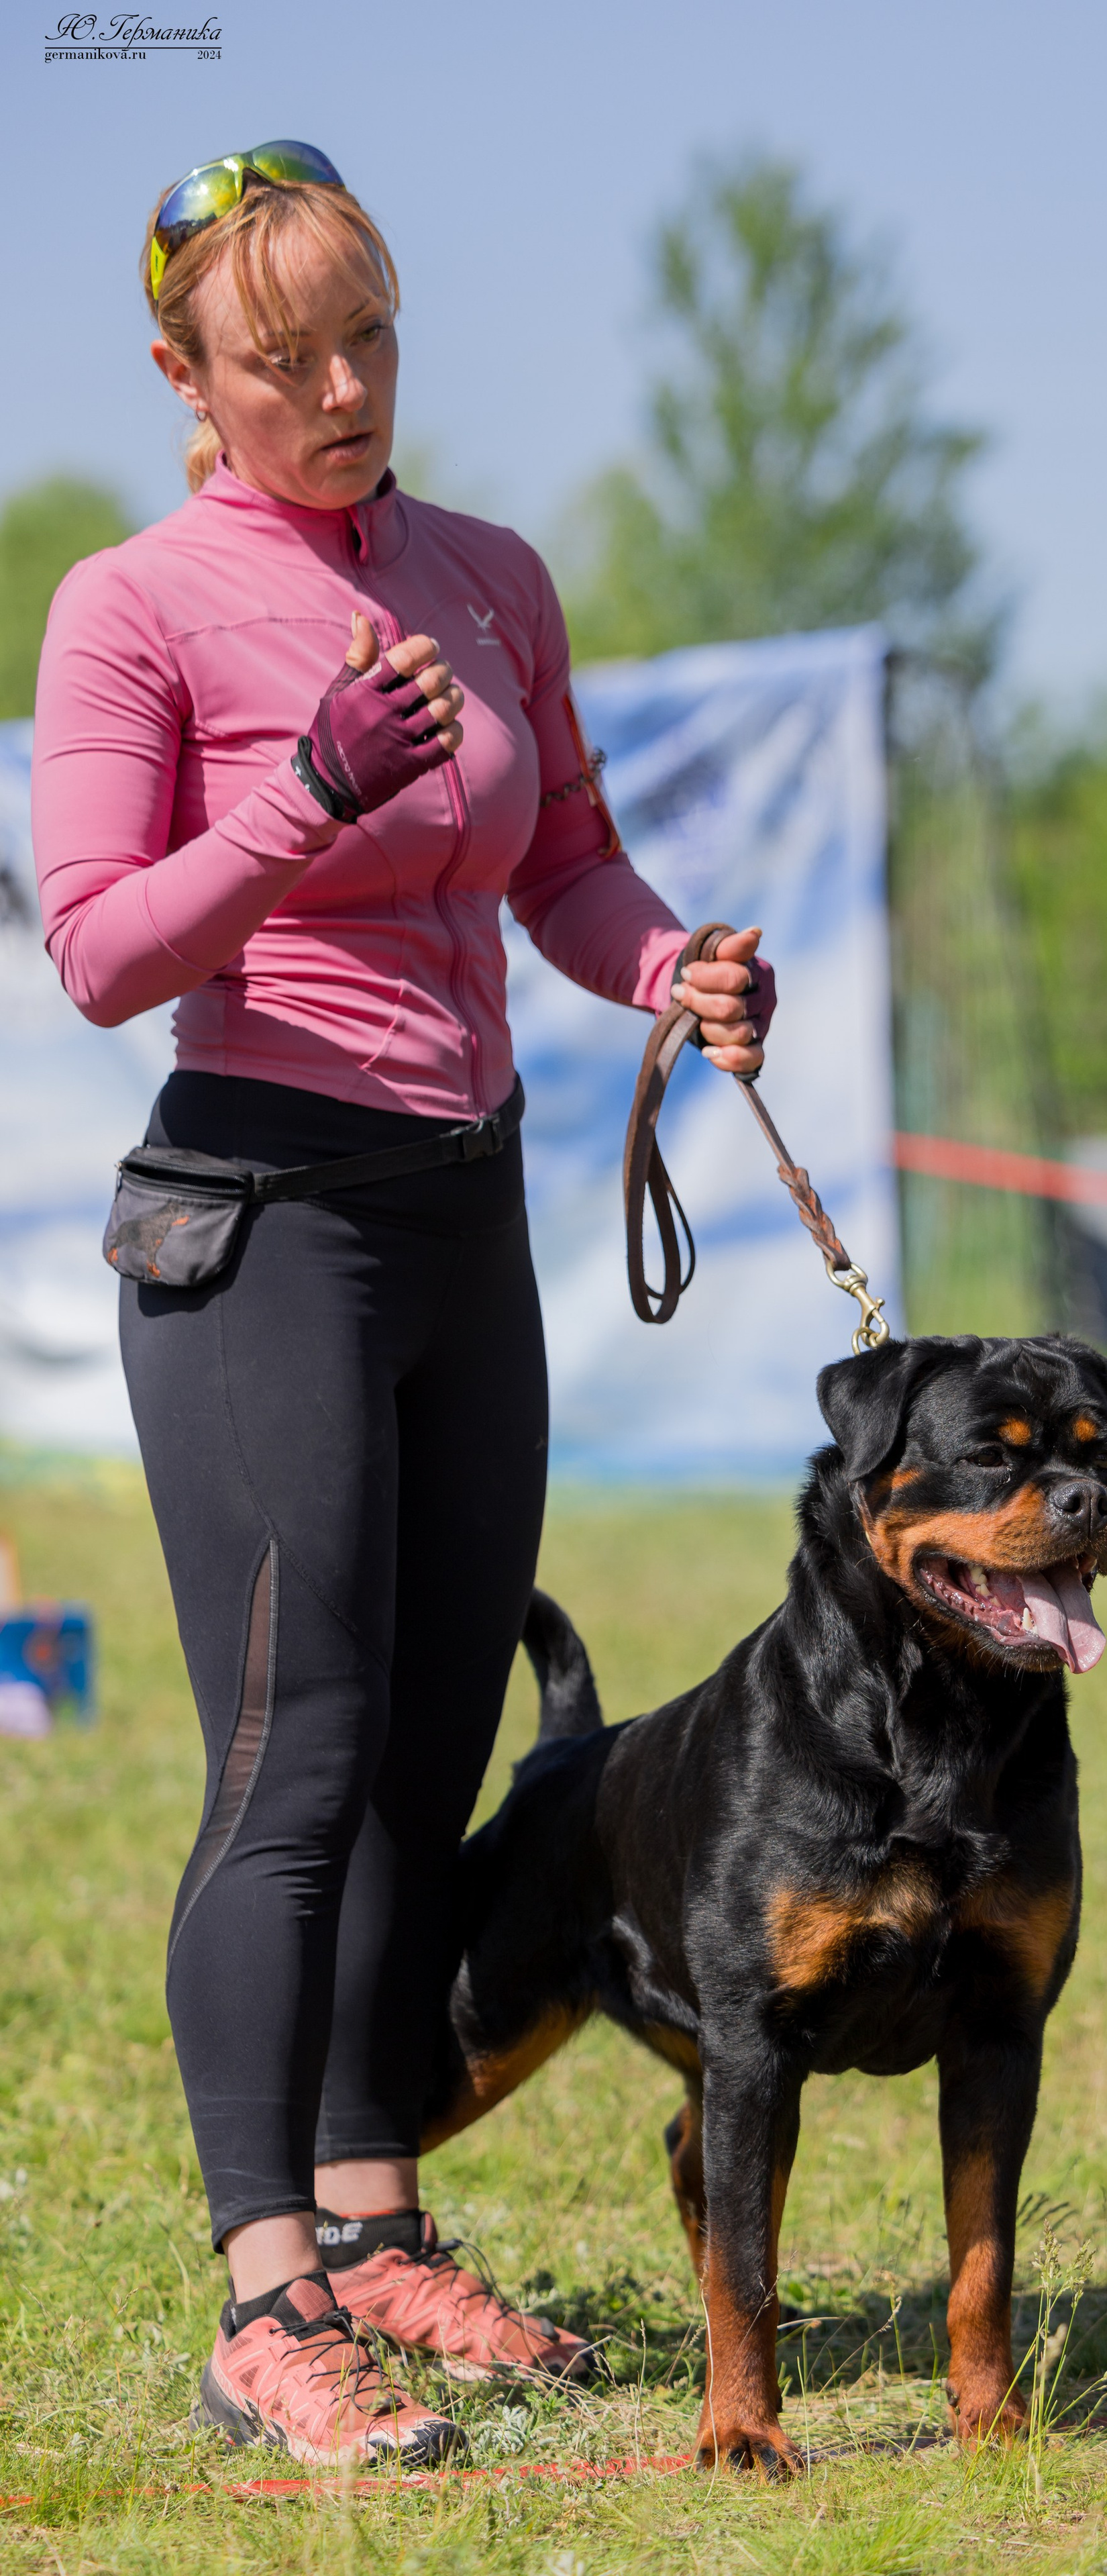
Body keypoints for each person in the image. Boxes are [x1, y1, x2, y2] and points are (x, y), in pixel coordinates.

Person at [31, 142, 775, 2469]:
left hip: (469, 1212)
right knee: (298, 1763)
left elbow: (554, 854)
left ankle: (377, 2216)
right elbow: (96, 952)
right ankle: (265, 2290)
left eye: (372, 340)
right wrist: (298, 810)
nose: (345, 390)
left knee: (434, 1749)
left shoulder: (486, 577)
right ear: (186, 377)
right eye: (286, 362)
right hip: (261, 1219)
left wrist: (673, 966)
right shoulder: (131, 607)